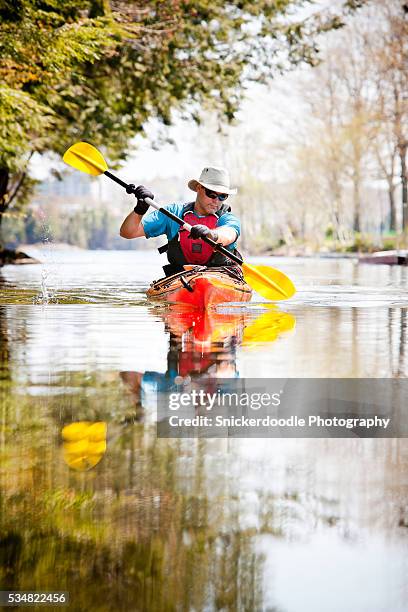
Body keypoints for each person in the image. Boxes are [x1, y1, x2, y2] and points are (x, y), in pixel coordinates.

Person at [119, 166, 242, 276]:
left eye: (223, 196)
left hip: (222, 278)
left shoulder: (227, 218)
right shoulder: (173, 213)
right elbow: (128, 232)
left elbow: (229, 234)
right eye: (211, 193)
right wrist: (140, 209)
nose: (216, 201)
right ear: (199, 188)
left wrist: (211, 235)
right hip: (182, 278)